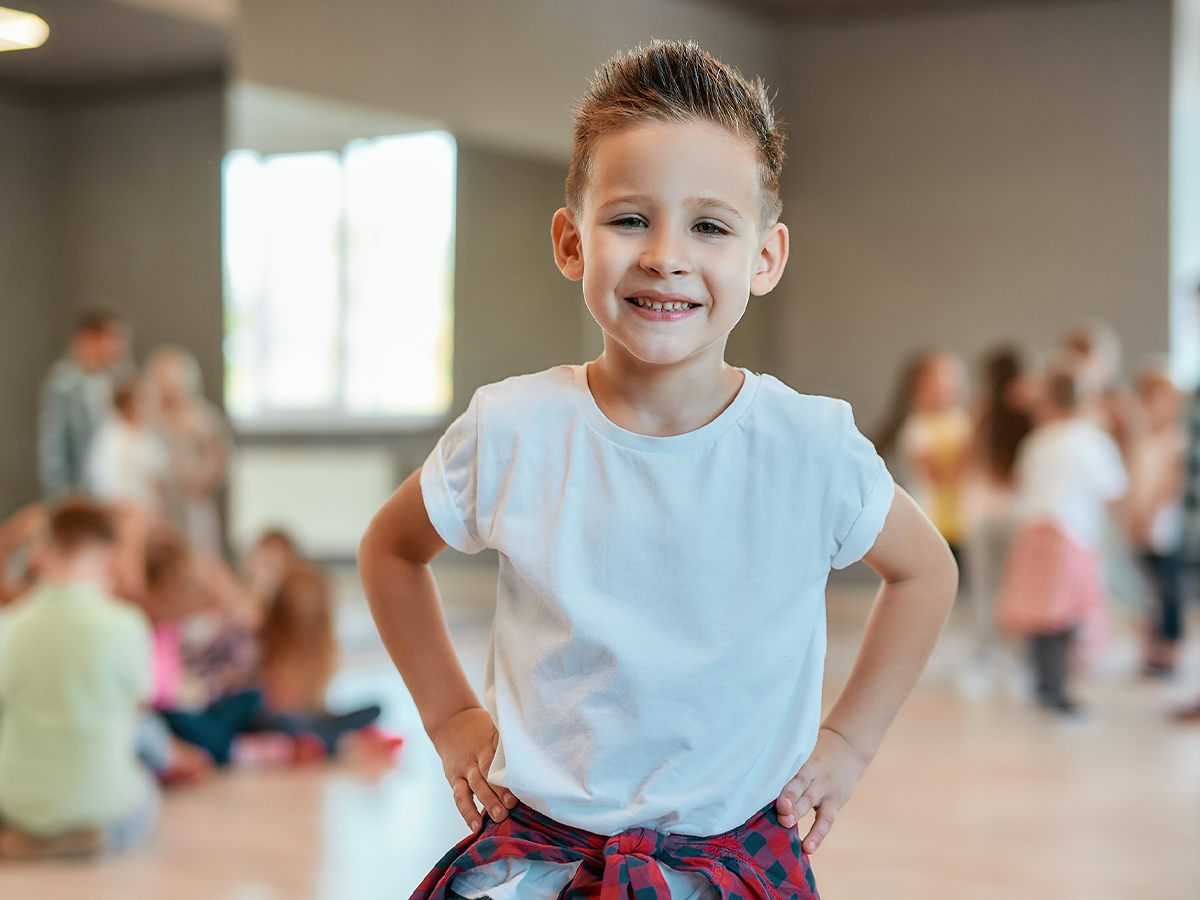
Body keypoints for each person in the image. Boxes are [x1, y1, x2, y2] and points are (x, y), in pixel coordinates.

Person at [359, 41, 957, 900]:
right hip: (539, 850)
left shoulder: (810, 445)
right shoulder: (514, 427)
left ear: (765, 257)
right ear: (571, 241)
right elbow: (390, 550)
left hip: (731, 854)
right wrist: (452, 716)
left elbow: (927, 570)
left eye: (710, 225)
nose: (666, 255)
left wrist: (848, 744)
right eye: (630, 218)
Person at [0, 500, 157, 858]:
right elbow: (139, 710)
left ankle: (34, 831)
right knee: (148, 781)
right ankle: (88, 828)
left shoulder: (9, 626)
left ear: (44, 552)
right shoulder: (128, 625)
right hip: (102, 803)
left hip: (19, 804)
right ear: (111, 556)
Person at [995, 368, 1127, 715]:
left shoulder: (1038, 439)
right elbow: (1113, 491)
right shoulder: (1092, 440)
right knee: (1064, 617)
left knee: (1040, 614)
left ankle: (1042, 682)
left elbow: (1020, 482)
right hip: (1070, 535)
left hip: (1032, 530)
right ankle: (1059, 690)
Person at [1125, 361, 1184, 677]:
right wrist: (1131, 514)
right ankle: (1151, 651)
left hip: (1164, 528)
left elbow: (1169, 484)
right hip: (1138, 526)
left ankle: (1170, 653)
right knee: (1146, 594)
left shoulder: (1177, 438)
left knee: (1168, 591)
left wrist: (1148, 515)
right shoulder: (1142, 438)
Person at [146, 346, 231, 558]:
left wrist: (205, 479)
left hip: (193, 503)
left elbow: (221, 457)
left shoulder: (202, 415)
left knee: (199, 554)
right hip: (156, 505)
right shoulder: (146, 417)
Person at [38, 307, 131, 500]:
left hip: (118, 491)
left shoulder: (117, 382)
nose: (119, 348)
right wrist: (62, 499)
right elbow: (54, 449)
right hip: (83, 492)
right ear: (88, 339)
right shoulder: (63, 385)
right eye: (113, 339)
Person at [898, 352, 972, 567]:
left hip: (965, 523)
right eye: (938, 383)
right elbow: (937, 475)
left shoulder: (961, 420)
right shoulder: (918, 427)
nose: (946, 389)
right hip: (935, 524)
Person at [87, 377, 171, 517]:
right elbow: (106, 480)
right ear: (125, 405)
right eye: (143, 400)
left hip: (151, 510)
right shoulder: (111, 436)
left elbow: (159, 478)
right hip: (123, 510)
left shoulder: (151, 437)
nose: (149, 406)